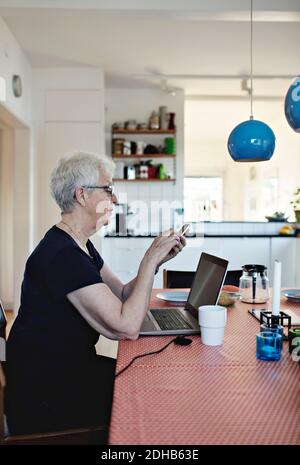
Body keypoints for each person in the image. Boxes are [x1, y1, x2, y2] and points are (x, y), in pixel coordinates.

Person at [4, 151, 186, 439]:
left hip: (64, 373)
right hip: (47, 393)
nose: (114, 199)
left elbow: (125, 292)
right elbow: (126, 326)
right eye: (109, 189)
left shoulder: (78, 245)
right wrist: (149, 260)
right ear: (82, 195)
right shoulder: (62, 255)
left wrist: (157, 261)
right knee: (149, 396)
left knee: (145, 380)